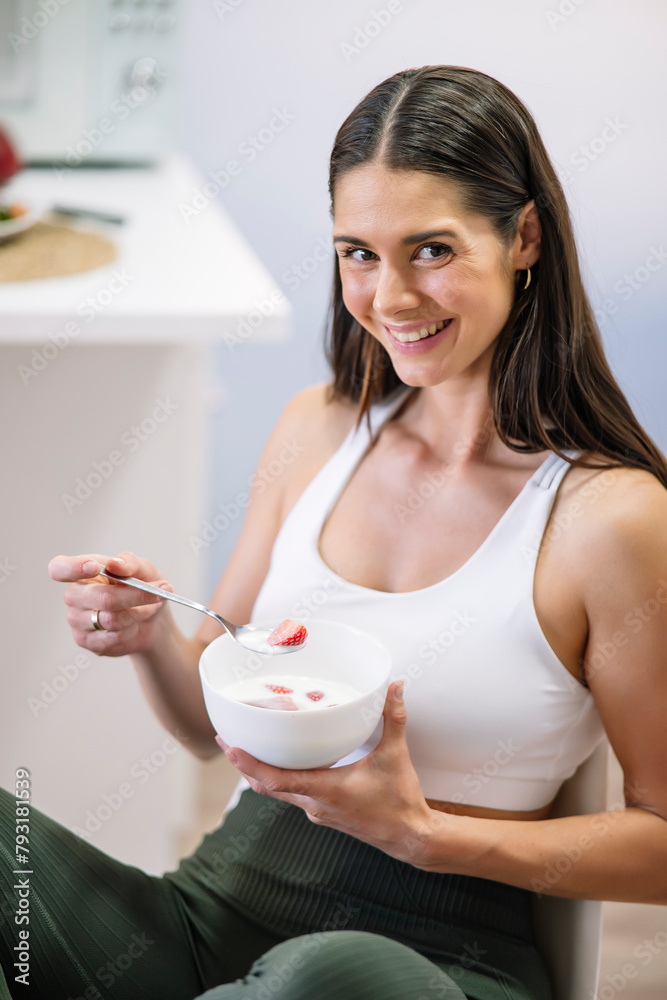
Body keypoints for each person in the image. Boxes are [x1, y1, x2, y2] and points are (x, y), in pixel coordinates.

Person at [2, 65, 667, 1000]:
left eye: (429, 249)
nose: (389, 297)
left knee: (319, 977)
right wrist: (154, 638)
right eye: (358, 252)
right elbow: (206, 727)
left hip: (435, 963)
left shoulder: (610, 518)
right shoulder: (315, 429)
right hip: (210, 923)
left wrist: (421, 835)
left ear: (523, 237)